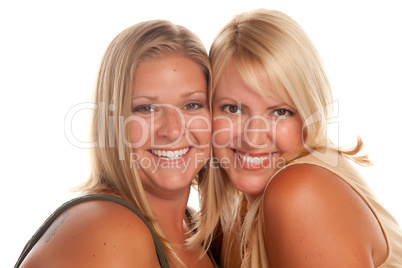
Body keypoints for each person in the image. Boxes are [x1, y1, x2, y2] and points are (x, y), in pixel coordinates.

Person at [202, 9, 402, 267]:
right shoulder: (231, 214)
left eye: (280, 112)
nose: (252, 137)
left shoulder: (299, 192)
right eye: (233, 109)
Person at [15, 20, 218, 268]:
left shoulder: (196, 228)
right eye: (146, 108)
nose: (173, 130)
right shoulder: (110, 230)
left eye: (191, 105)